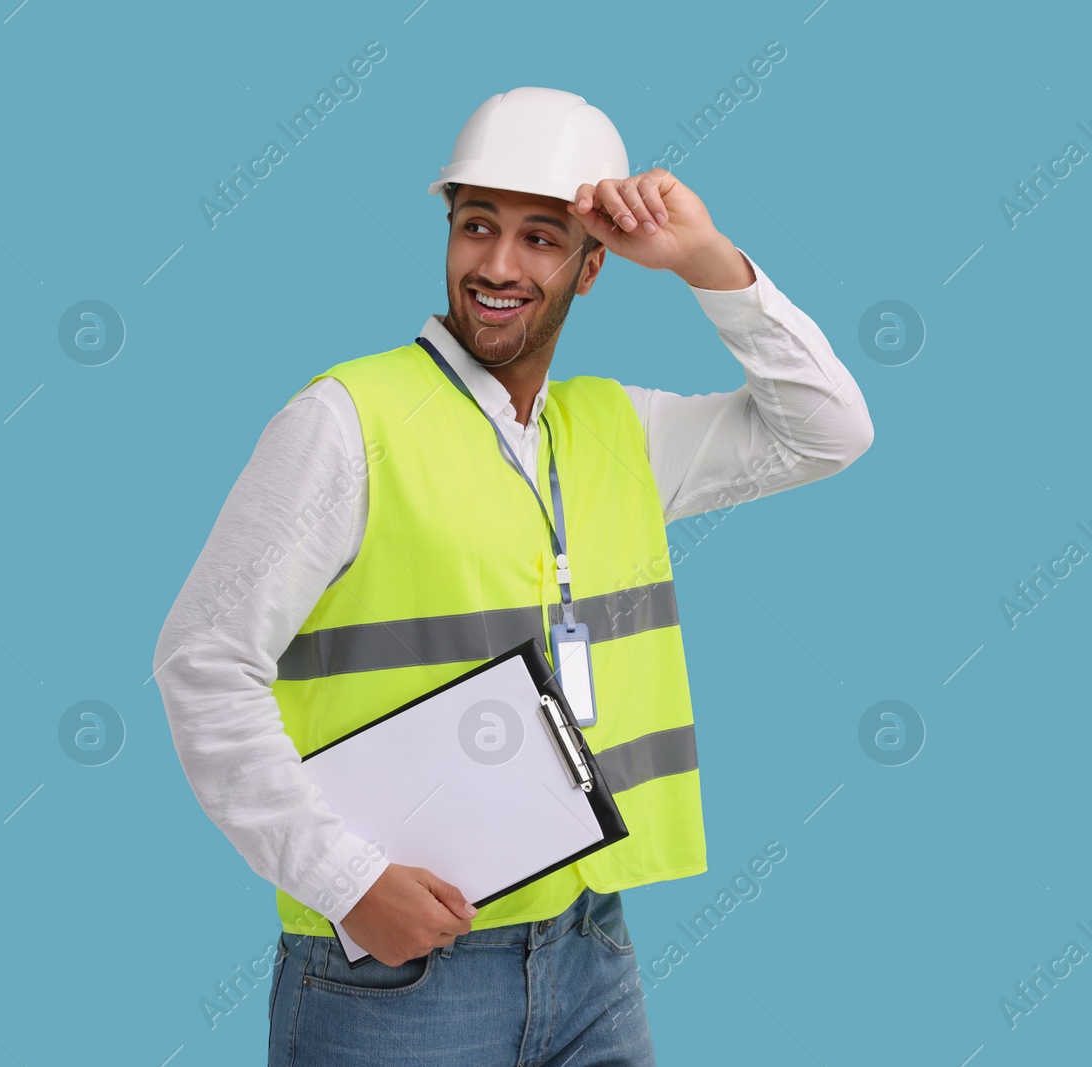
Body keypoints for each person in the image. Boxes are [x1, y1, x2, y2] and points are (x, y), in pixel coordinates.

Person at [153, 87, 873, 1066]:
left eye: (541, 237)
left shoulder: (620, 430)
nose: (495, 264)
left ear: (591, 267)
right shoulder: (347, 422)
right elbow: (201, 661)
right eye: (476, 226)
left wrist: (707, 262)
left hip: (588, 950)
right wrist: (345, 875)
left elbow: (827, 430)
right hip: (398, 973)